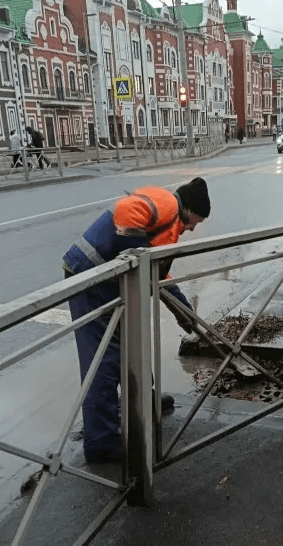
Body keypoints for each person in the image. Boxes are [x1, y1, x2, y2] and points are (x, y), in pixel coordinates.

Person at [61, 177, 211, 463]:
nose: (192, 229)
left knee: (134, 342)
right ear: (189, 211)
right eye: (196, 222)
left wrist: (184, 312)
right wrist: (137, 259)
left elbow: (159, 275)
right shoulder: (167, 204)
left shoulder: (169, 223)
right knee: (103, 360)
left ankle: (142, 402)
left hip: (110, 283)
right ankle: (101, 443)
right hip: (89, 279)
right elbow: (127, 212)